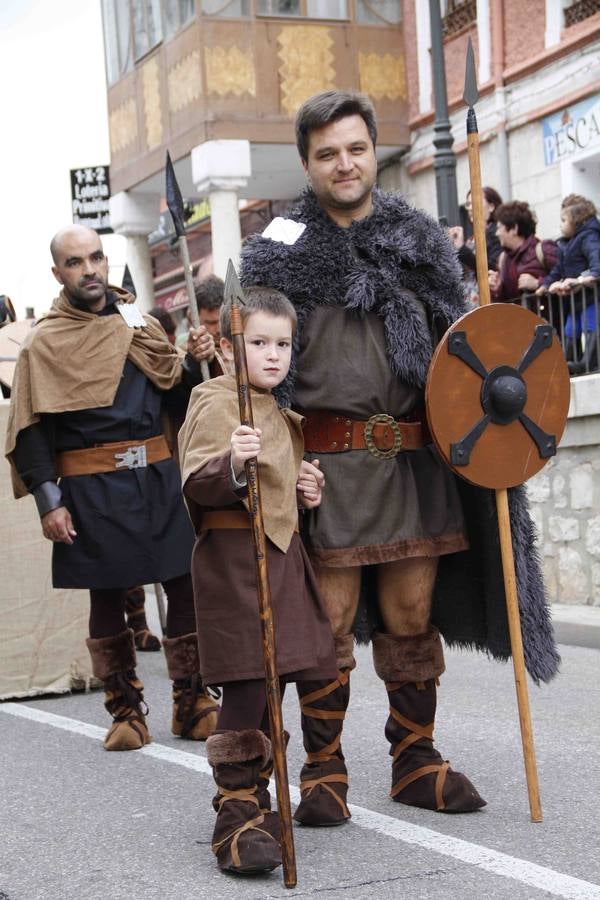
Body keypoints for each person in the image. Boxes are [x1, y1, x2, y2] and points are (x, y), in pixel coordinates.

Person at [240, 90, 559, 825]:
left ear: (372, 151)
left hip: (415, 457)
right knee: (332, 619)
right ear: (307, 162)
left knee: (412, 611)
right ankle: (324, 770)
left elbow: (470, 351)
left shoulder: (418, 238)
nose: (343, 164)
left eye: (354, 149)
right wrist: (284, 461)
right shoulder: (276, 250)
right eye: (327, 153)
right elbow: (256, 368)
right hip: (328, 467)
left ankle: (414, 756)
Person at [5, 225, 219, 751]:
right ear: (58, 274)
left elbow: (179, 401)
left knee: (183, 584)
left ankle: (192, 702)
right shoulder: (45, 343)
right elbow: (30, 429)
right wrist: (48, 502)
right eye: (76, 263)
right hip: (91, 485)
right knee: (107, 594)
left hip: (157, 477)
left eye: (96, 257)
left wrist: (192, 362)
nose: (90, 269)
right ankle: (125, 712)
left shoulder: (139, 324)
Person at [178, 286, 336, 875]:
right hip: (232, 564)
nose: (273, 355)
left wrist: (306, 493)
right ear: (228, 346)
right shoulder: (212, 399)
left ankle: (263, 801)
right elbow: (195, 480)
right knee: (246, 683)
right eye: (259, 343)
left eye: (283, 344)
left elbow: (284, 494)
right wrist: (232, 466)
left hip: (282, 560)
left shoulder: (281, 415)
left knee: (281, 678)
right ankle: (236, 815)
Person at [537, 195, 600, 374]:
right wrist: (547, 284)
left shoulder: (589, 237)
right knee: (571, 328)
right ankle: (569, 363)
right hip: (575, 299)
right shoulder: (566, 244)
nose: (561, 224)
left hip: (590, 297)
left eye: (564, 220)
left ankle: (589, 362)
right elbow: (558, 269)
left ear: (576, 221)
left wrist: (580, 280)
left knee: (590, 326)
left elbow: (597, 265)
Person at [488, 201, 558, 303]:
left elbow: (567, 276)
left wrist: (537, 283)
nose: (496, 233)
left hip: (549, 318)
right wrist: (498, 289)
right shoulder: (503, 259)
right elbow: (506, 301)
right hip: (521, 318)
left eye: (499, 228)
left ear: (514, 229)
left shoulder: (544, 249)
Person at [448, 186, 503, 305]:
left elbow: (492, 267)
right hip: (469, 301)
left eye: (476, 202)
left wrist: (462, 249)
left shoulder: (498, 233)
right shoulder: (471, 238)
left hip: (486, 299)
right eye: (468, 204)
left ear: (492, 206)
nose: (470, 208)